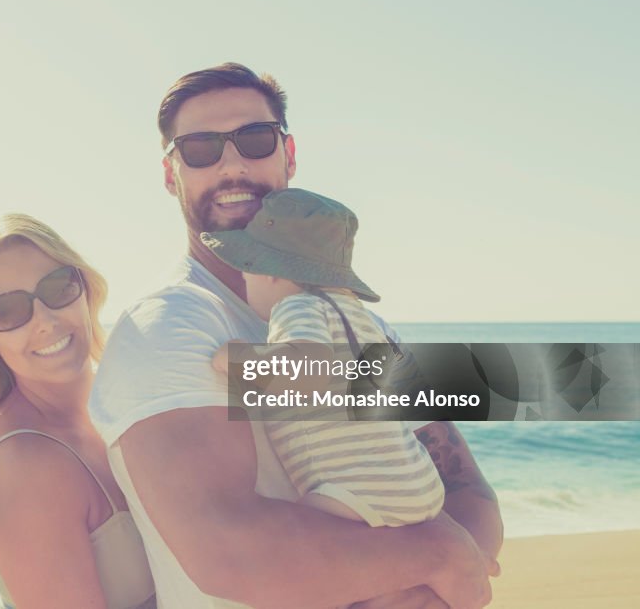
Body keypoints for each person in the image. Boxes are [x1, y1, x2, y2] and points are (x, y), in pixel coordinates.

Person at [89, 63, 503, 608]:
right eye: (200, 149)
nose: (232, 164)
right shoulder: (166, 328)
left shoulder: (365, 324)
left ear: (288, 154)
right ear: (171, 175)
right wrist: (442, 559)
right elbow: (230, 554)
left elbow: (466, 488)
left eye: (255, 140)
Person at [0, 214, 155, 609]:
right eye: (8, 311)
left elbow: (295, 398)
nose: (45, 321)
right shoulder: (22, 466)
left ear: (84, 288)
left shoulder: (127, 397)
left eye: (58, 288)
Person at [204, 187, 446, 528]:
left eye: (246, 272)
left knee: (291, 537)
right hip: (419, 479)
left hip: (357, 492)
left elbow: (306, 371)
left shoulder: (297, 306)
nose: (244, 282)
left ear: (269, 272)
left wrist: (233, 357)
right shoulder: (361, 318)